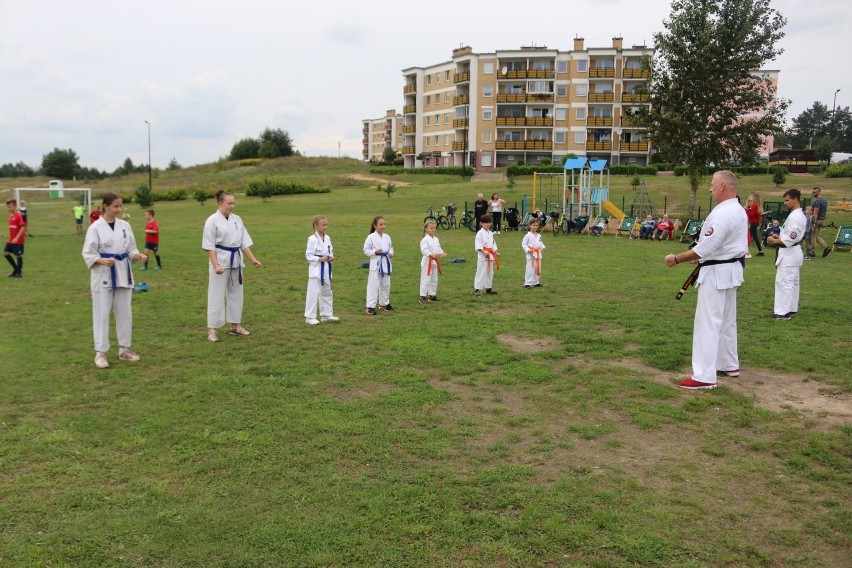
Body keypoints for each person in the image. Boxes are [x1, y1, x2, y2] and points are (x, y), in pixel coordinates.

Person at [664, 170, 747, 390]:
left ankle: (704, 375)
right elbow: (719, 246)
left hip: (718, 273)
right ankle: (728, 363)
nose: (709, 189)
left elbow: (707, 247)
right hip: (729, 269)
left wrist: (677, 258)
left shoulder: (723, 213)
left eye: (712, 184)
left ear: (722, 186)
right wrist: (703, 256)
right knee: (727, 321)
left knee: (707, 323)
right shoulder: (738, 209)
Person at [82, 192, 147, 369]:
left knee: (125, 312)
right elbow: (88, 253)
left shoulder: (125, 225)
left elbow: (131, 249)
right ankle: (100, 353)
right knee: (102, 314)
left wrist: (137, 256)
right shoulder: (95, 227)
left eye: (120, 206)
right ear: (105, 206)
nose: (119, 209)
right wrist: (101, 260)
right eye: (115, 206)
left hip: (122, 272)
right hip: (103, 273)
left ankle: (124, 349)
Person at [202, 190, 262, 342]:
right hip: (220, 261)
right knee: (216, 295)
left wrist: (252, 259)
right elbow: (209, 246)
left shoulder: (237, 219)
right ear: (220, 203)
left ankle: (235, 326)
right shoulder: (212, 220)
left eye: (233, 203)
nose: (232, 206)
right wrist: (216, 265)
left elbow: (243, 243)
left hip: (236, 260)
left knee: (236, 295)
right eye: (229, 203)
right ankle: (212, 329)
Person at [767, 188, 806, 320]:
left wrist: (774, 241)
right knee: (793, 282)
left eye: (787, 200)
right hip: (793, 252)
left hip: (790, 252)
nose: (785, 203)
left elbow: (791, 238)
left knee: (784, 282)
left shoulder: (796, 216)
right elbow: (789, 235)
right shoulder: (795, 215)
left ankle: (783, 312)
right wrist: (780, 236)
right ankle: (791, 308)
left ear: (795, 200)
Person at [304, 215, 339, 325]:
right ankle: (310, 317)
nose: (325, 227)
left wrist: (331, 257)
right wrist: (319, 259)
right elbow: (308, 255)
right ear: (316, 225)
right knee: (313, 293)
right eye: (323, 225)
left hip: (326, 269)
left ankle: (326, 314)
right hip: (316, 270)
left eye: (326, 224)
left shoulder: (327, 238)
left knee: (327, 292)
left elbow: (330, 251)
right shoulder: (312, 239)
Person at [363, 215, 394, 315]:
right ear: (375, 226)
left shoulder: (387, 237)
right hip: (376, 264)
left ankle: (384, 304)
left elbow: (391, 248)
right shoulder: (371, 237)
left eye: (384, 224)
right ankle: (370, 307)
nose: (383, 226)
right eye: (381, 224)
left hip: (386, 263)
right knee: (373, 285)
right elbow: (366, 250)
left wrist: (391, 253)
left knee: (386, 285)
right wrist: (375, 252)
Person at [419, 218, 446, 304]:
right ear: (426, 229)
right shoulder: (424, 240)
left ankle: (432, 295)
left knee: (434, 278)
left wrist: (441, 253)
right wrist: (431, 254)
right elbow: (424, 250)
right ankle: (422, 296)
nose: (433, 229)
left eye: (434, 228)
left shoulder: (436, 239)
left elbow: (438, 248)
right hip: (427, 261)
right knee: (425, 279)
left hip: (434, 262)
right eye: (431, 228)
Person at [474, 214, 499, 296]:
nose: (488, 224)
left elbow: (493, 243)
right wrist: (483, 252)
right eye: (486, 223)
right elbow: (478, 244)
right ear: (481, 223)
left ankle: (488, 288)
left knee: (490, 272)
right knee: (481, 272)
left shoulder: (490, 233)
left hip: (490, 255)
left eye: (489, 222)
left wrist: (495, 251)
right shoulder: (480, 233)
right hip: (483, 255)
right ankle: (477, 289)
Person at [5, 199, 26, 278]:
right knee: (5, 253)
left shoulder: (18, 216)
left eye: (9, 207)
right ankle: (16, 270)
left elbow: (23, 227)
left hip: (18, 240)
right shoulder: (11, 216)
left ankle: (18, 273)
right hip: (11, 239)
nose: (8, 209)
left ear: (14, 207)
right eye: (8, 207)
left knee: (18, 255)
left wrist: (17, 238)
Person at [521, 217, 545, 288]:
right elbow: (524, 244)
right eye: (533, 225)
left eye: (537, 225)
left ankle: (536, 282)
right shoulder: (527, 235)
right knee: (530, 268)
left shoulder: (539, 235)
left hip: (538, 253)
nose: (535, 227)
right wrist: (528, 250)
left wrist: (543, 247)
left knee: (538, 267)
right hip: (531, 254)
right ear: (530, 226)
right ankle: (528, 283)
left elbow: (540, 243)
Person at [809, 186, 830, 258]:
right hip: (822, 220)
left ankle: (812, 252)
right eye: (812, 192)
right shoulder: (824, 200)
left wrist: (813, 222)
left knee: (812, 236)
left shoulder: (817, 201)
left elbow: (815, 213)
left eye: (814, 192)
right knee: (816, 236)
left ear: (819, 192)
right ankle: (826, 247)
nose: (813, 193)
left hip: (817, 220)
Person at [745, 192, 764, 257]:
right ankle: (747, 250)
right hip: (755, 222)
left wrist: (747, 210)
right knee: (750, 237)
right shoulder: (757, 205)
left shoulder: (754, 205)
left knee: (753, 237)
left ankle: (760, 251)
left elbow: (752, 215)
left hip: (753, 222)